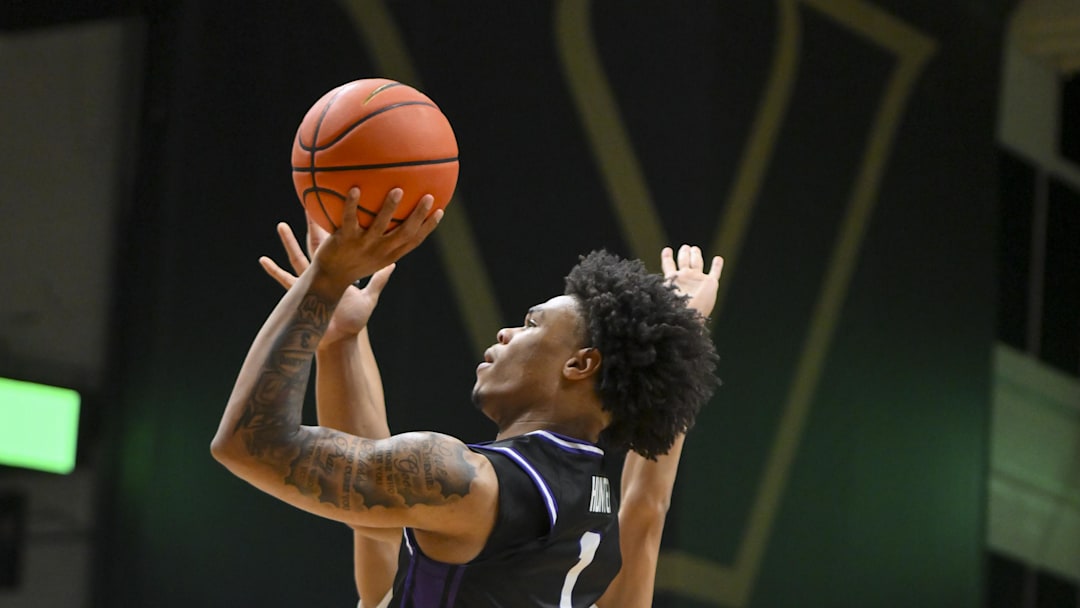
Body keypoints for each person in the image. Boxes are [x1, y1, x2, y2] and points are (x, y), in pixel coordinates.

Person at [212, 187, 720, 606]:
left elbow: (248, 442)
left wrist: (325, 280)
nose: (505, 333)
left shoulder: (467, 484)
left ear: (580, 363)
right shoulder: (593, 508)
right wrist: (341, 340)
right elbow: (646, 508)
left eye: (530, 324)